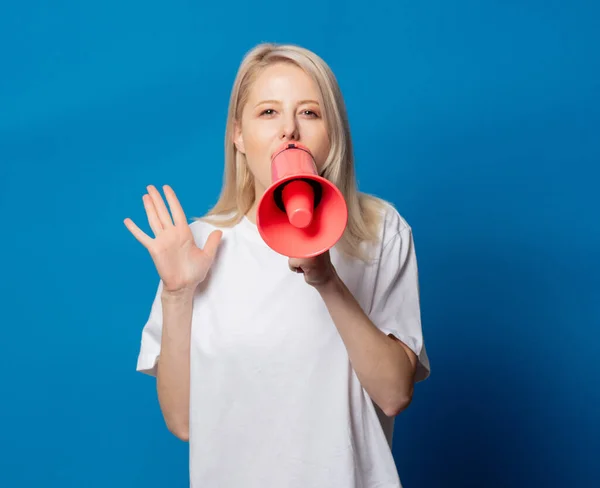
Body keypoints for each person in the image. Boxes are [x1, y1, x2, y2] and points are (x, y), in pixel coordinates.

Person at [124, 42, 431, 488]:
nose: (289, 131)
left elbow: (394, 394)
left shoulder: (380, 232)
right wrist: (177, 293)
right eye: (268, 112)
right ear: (239, 135)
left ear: (333, 135)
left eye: (310, 113)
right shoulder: (197, 246)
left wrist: (325, 279)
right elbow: (184, 422)